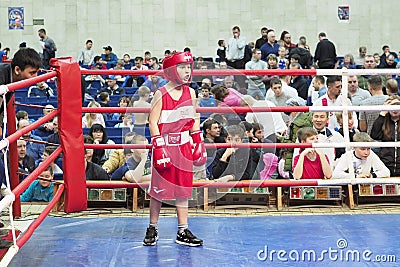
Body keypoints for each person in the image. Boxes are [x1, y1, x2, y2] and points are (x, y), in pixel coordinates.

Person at [143, 51, 205, 247]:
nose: (187, 71)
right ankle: (152, 226)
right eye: (182, 67)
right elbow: (152, 122)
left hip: (185, 147)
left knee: (183, 190)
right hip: (166, 146)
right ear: (171, 71)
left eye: (189, 67)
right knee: (158, 191)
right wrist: (159, 146)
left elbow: (193, 119)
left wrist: (198, 141)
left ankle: (182, 230)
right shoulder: (161, 93)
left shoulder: (191, 93)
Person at [0, 47, 42, 121]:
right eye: (32, 72)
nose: (36, 76)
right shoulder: (2, 76)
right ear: (17, 70)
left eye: (37, 72)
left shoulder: (10, 75)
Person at [370, 96, 400, 176]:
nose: (395, 109)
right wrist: (383, 113)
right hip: (386, 164)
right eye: (392, 106)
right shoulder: (383, 121)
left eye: (397, 105)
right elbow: (374, 135)